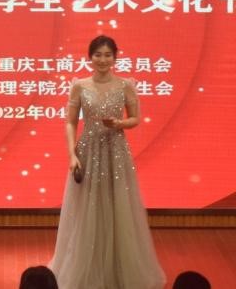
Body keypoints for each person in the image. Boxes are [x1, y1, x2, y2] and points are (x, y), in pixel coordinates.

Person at [49, 35, 166, 289]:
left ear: (115, 57)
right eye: (98, 55)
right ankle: (87, 267)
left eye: (107, 55)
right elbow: (70, 122)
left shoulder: (125, 85)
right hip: (87, 151)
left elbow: (135, 118)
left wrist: (120, 123)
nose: (102, 60)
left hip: (116, 151)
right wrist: (72, 154)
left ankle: (116, 269)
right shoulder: (79, 86)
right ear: (90, 57)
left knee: (118, 206)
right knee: (87, 208)